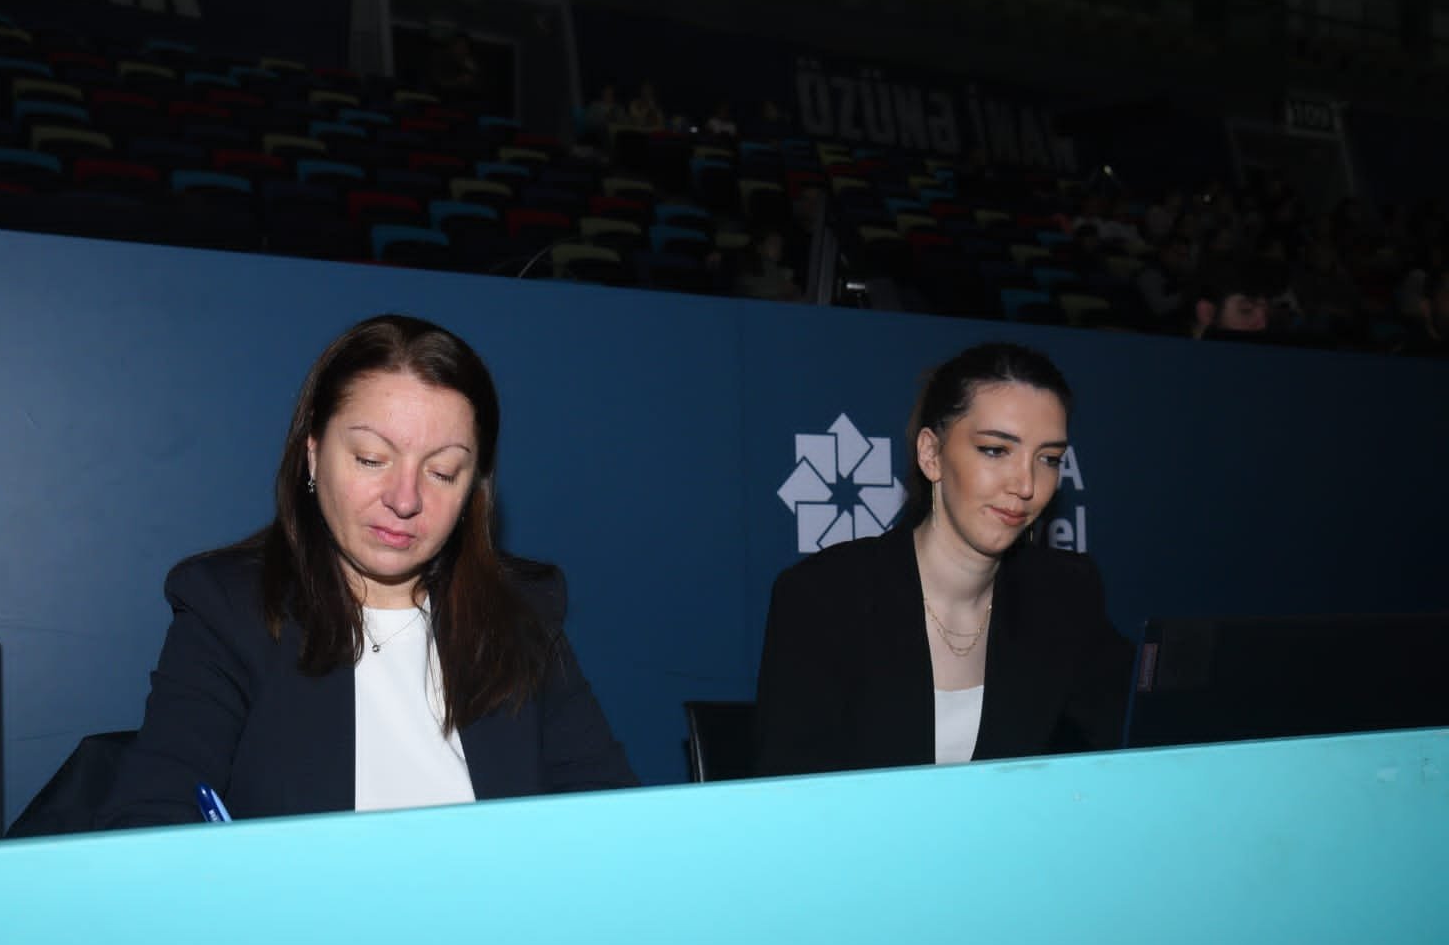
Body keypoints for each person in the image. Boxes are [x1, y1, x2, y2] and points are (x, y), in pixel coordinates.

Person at [99, 315, 637, 827]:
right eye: (372, 460)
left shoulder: (522, 611)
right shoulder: (230, 609)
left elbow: (613, 823)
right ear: (312, 453)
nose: (405, 500)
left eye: (442, 471)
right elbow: (151, 823)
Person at [754, 343, 1134, 776]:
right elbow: (795, 794)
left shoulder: (1064, 594)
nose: (1026, 484)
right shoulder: (824, 597)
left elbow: (1133, 743)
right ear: (931, 455)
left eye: (1048, 459)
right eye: (996, 450)